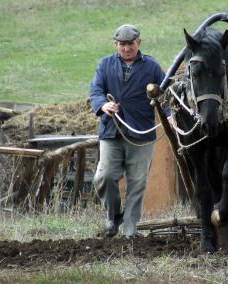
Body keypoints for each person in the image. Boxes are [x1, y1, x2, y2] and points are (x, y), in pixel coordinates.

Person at [89, 24, 167, 238]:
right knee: (104, 177)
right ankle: (113, 217)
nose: (126, 48)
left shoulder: (151, 66)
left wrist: (171, 116)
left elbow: (165, 94)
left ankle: (130, 231)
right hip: (111, 131)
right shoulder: (105, 65)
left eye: (130, 44)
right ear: (116, 45)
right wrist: (103, 105)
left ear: (138, 43)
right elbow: (95, 90)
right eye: (122, 44)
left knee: (137, 182)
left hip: (141, 133)